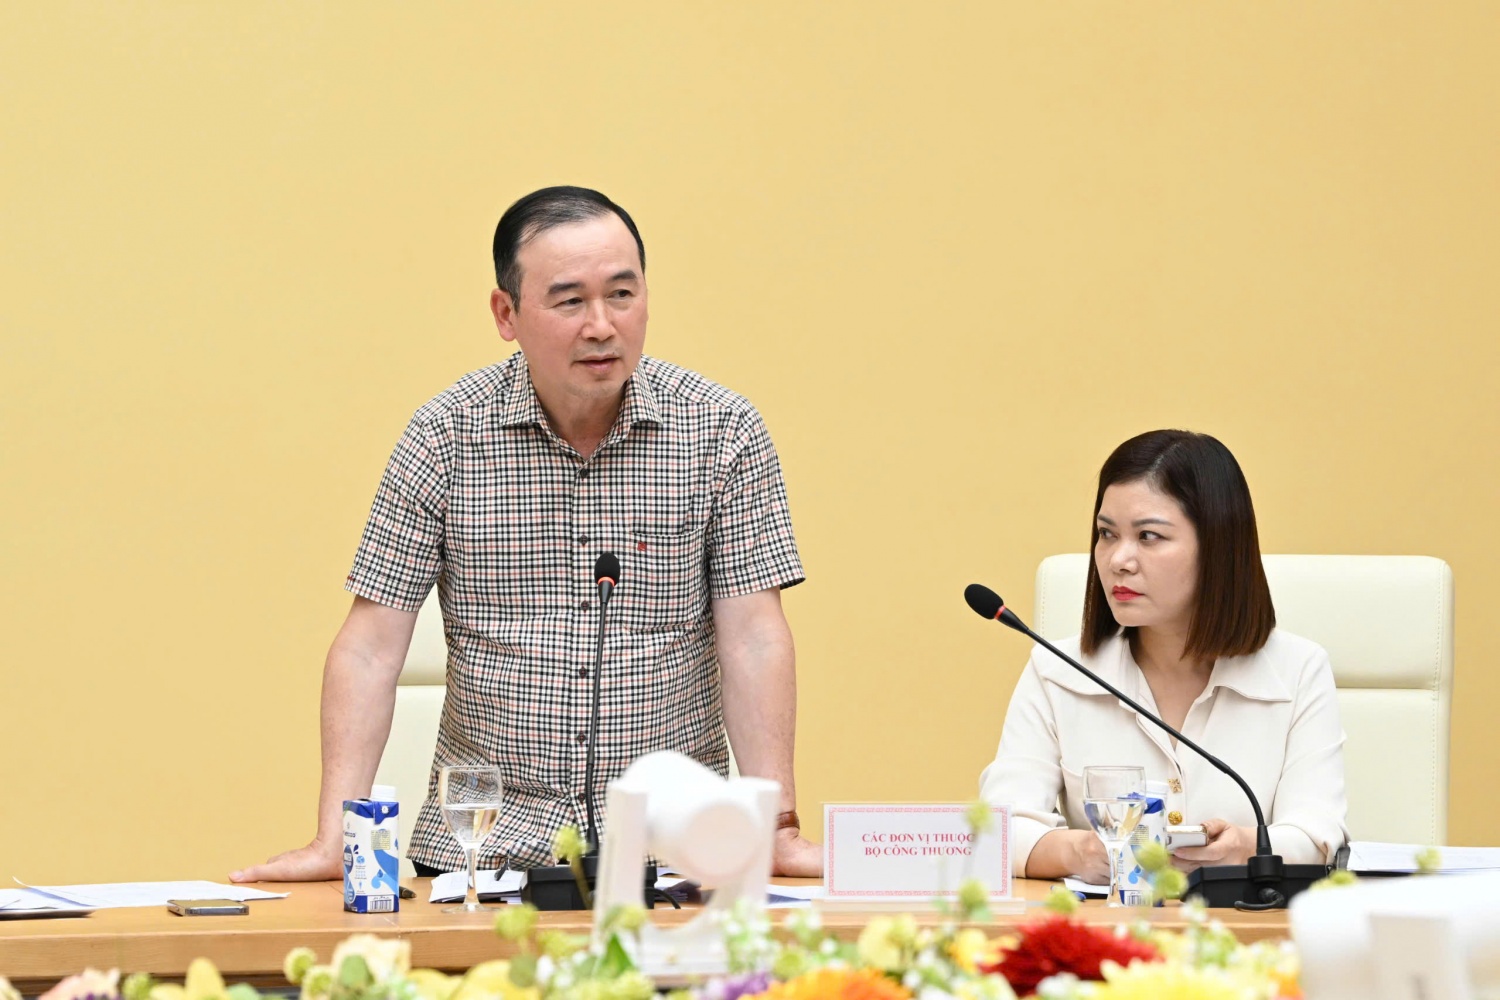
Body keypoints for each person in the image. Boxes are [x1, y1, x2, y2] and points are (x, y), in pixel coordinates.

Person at [231, 186, 821, 882]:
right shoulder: (445, 435)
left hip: (676, 855)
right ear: (505, 314)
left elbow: (754, 639)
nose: (601, 326)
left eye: (622, 295)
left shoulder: (721, 430)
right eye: (569, 301)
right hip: (485, 855)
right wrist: (338, 837)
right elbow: (369, 649)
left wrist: (776, 828)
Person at [979, 429, 1348, 881]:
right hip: (1108, 921)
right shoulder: (1056, 670)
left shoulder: (1298, 671)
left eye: (1148, 536)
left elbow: (1318, 833)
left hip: (1242, 921)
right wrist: (1078, 851)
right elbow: (998, 830)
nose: (1118, 560)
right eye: (1106, 534)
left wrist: (1245, 848)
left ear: (1218, 548)